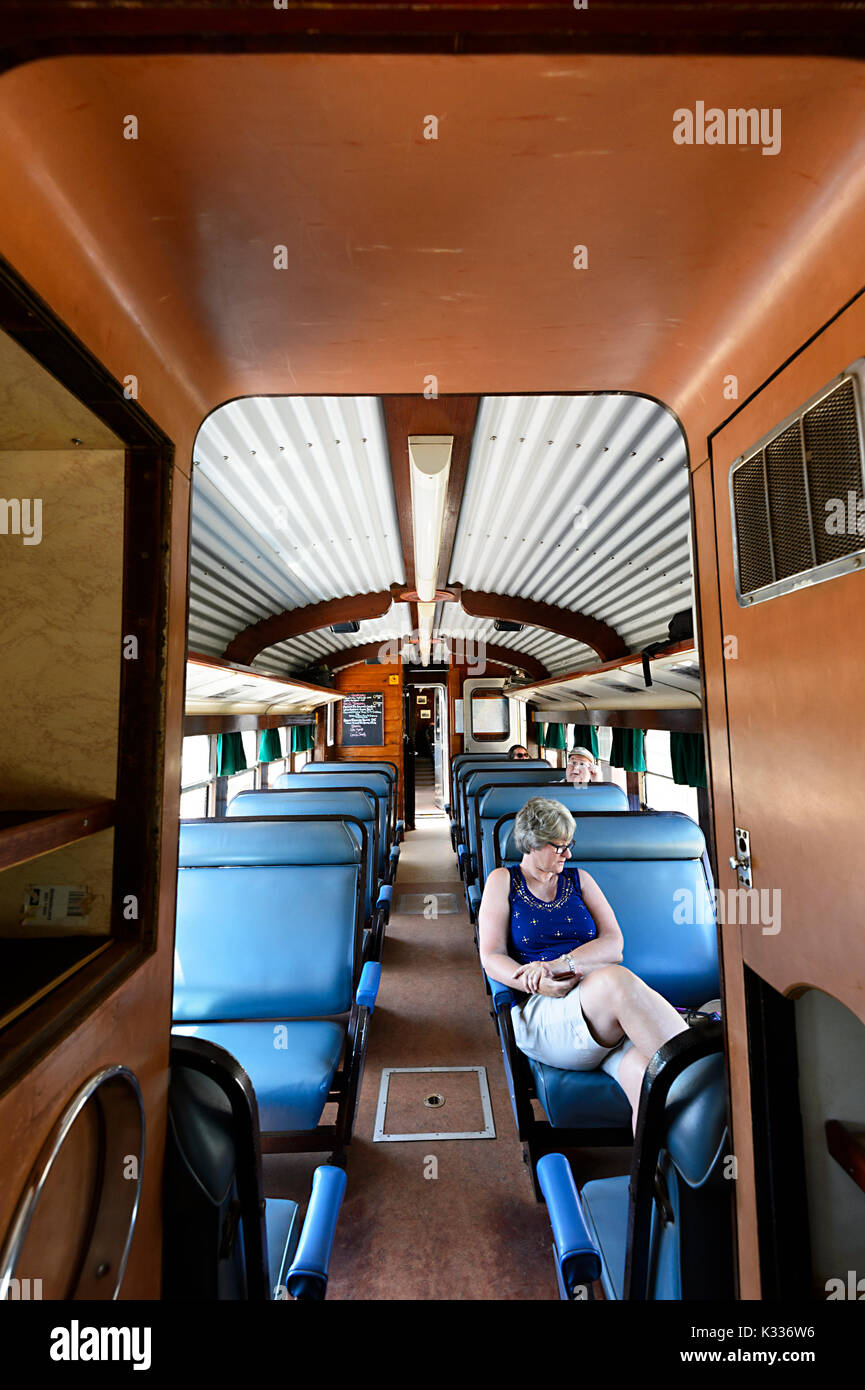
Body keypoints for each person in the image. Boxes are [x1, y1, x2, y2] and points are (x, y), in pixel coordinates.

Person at [478, 797, 688, 1128]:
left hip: (599, 1008)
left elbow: (614, 945)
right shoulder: (504, 882)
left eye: (569, 845)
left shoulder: (580, 880)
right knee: (616, 981)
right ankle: (702, 1073)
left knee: (646, 1077)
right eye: (559, 847)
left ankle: (651, 1173)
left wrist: (558, 965)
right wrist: (534, 980)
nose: (568, 855)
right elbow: (491, 957)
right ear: (532, 843)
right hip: (543, 1008)